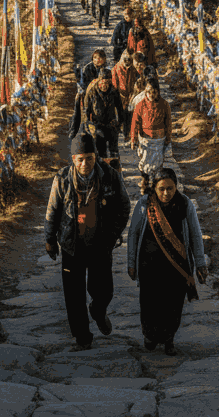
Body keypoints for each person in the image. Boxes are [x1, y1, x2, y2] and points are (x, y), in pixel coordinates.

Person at [46, 133, 131, 351]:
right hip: (72, 246)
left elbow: (124, 207)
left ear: (96, 157)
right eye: (80, 159)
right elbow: (53, 211)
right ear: (73, 159)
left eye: (90, 159)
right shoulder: (62, 179)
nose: (85, 164)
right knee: (73, 296)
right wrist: (50, 239)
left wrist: (112, 234)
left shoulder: (110, 176)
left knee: (104, 290)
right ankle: (82, 337)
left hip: (100, 244)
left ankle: (98, 310)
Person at [127, 167, 208, 356]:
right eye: (162, 189)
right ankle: (150, 335)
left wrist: (200, 263)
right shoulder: (144, 204)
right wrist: (131, 262)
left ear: (176, 187)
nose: (166, 193)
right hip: (149, 265)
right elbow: (133, 234)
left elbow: (195, 234)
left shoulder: (185, 204)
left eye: (170, 188)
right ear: (154, 188)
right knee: (149, 302)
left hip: (176, 266)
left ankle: (169, 338)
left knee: (173, 304)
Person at [129, 77, 171, 184]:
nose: (151, 95)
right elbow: (135, 123)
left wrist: (168, 138)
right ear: (145, 92)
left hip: (159, 140)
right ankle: (145, 179)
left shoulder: (164, 105)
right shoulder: (140, 105)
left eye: (154, 92)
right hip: (145, 140)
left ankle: (156, 181)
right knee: (145, 161)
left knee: (158, 161)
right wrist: (133, 139)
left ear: (158, 92)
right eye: (148, 92)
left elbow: (168, 123)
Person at [84, 68, 124, 169]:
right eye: (102, 82)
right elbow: (86, 111)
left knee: (114, 150)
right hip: (98, 125)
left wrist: (120, 123)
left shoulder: (114, 91)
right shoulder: (92, 92)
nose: (104, 85)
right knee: (101, 151)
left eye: (107, 82)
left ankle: (116, 172)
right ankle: (102, 170)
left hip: (111, 124)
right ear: (99, 81)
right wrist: (88, 125)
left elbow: (120, 109)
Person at [111, 49, 136, 139]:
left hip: (130, 96)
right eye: (125, 60)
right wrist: (119, 97)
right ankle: (116, 132)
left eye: (129, 60)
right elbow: (114, 85)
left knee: (128, 116)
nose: (127, 62)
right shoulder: (115, 69)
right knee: (120, 115)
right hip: (119, 97)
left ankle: (126, 134)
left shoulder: (133, 69)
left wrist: (132, 94)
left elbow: (135, 82)